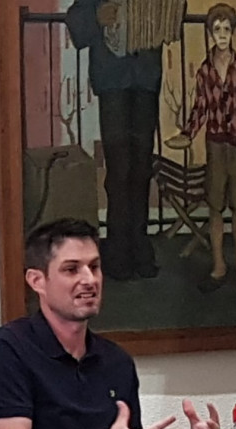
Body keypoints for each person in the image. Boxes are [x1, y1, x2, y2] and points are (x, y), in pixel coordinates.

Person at [0, 219, 221, 429]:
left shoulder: (115, 360)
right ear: (37, 281)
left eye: (94, 267)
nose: (89, 280)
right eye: (72, 269)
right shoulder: (9, 347)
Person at [166, 3, 236, 295]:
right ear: (210, 33)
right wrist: (187, 133)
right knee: (216, 207)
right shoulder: (205, 71)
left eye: (226, 29)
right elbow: (200, 108)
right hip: (215, 145)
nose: (221, 34)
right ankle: (218, 266)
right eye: (216, 29)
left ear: (232, 33)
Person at [66, 0, 165, 280]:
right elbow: (76, 20)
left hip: (145, 77)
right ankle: (119, 251)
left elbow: (172, 13)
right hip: (112, 80)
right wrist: (97, 16)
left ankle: (139, 247)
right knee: (119, 167)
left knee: (142, 166)